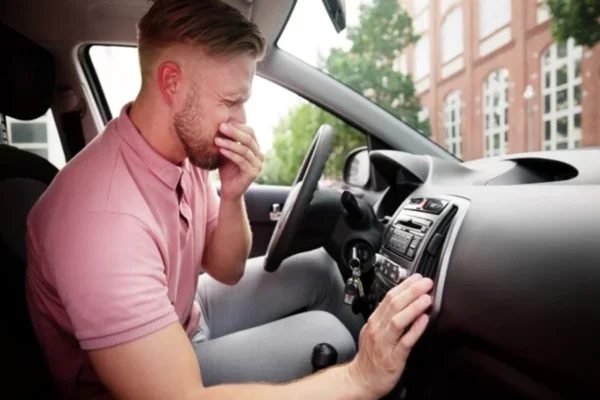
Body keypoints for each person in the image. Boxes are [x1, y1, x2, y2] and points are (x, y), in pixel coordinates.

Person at [24, 0, 434, 398]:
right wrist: (360, 378)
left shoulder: (184, 154)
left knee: (322, 270)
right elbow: (179, 396)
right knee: (329, 340)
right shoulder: (103, 221)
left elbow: (227, 269)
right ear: (171, 82)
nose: (241, 121)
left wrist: (233, 193)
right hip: (148, 376)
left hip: (184, 314)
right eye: (230, 102)